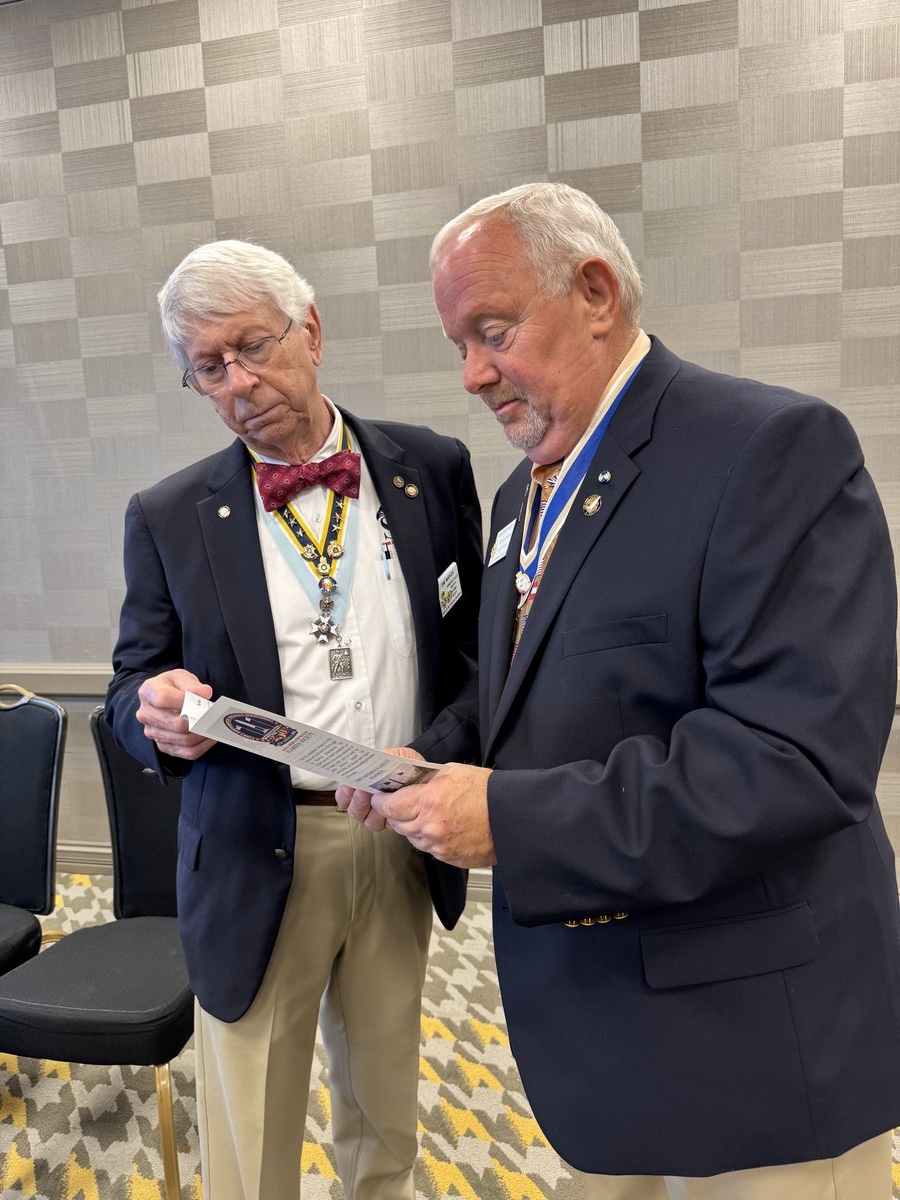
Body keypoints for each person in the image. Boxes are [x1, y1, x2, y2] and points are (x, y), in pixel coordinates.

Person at [337, 183, 900, 1199]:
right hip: (596, 1035)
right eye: (457, 343)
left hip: (755, 1055)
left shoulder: (768, 450)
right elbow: (515, 686)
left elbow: (795, 763)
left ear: (596, 292)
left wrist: (504, 815)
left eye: (492, 330)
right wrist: (435, 756)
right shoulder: (524, 491)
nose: (471, 374)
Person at [104, 239, 482, 1200]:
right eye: (208, 367)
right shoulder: (169, 513)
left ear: (310, 332)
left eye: (253, 347)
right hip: (254, 842)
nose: (238, 382)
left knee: (385, 1106)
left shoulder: (432, 470)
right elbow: (127, 689)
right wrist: (152, 712)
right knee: (252, 1134)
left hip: (398, 831)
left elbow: (480, 659)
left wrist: (432, 758)